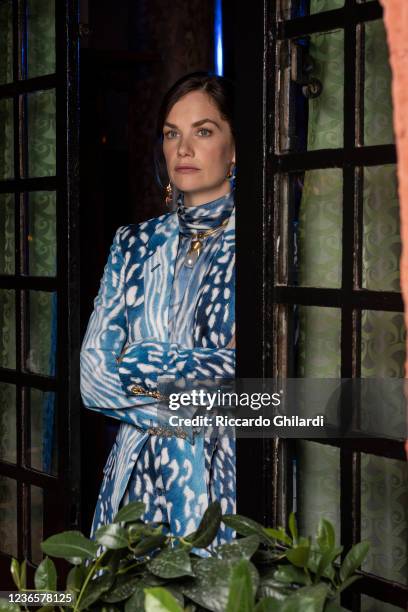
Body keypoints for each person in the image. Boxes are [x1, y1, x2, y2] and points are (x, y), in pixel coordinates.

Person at [80, 72, 236, 545]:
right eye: (172, 133)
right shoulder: (133, 244)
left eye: (203, 132)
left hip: (220, 483)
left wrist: (138, 360)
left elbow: (250, 384)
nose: (183, 148)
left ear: (236, 149)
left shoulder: (262, 246)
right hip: (132, 489)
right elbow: (92, 379)